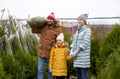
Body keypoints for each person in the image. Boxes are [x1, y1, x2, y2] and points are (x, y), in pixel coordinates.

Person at [31, 12, 62, 79]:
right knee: (40, 70)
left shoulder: (57, 29)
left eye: (51, 19)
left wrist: (54, 45)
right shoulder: (44, 26)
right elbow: (34, 31)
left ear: (54, 20)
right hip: (41, 53)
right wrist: (32, 25)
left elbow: (60, 40)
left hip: (50, 54)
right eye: (48, 18)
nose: (49, 20)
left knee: (50, 71)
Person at [70, 14, 91, 79]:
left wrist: (76, 52)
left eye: (81, 19)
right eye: (78, 20)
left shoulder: (87, 30)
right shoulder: (78, 31)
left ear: (84, 21)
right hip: (77, 57)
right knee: (78, 73)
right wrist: (71, 51)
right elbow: (74, 42)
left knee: (84, 73)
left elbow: (85, 43)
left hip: (83, 57)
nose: (79, 21)